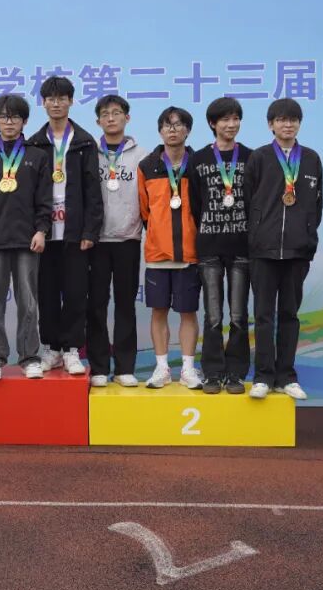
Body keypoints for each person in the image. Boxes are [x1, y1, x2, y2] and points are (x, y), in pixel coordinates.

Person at [244, 98, 323, 401]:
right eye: (281, 119)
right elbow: (248, 200)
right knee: (263, 315)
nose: (287, 124)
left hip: (297, 251)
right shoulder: (260, 157)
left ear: (299, 124)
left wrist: (307, 237)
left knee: (290, 315)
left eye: (293, 119)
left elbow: (317, 204)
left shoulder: (312, 159)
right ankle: (263, 376)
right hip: (263, 251)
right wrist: (256, 236)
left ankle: (286, 376)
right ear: (271, 125)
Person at [0, 94, 52, 380]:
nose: (9, 122)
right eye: (3, 117)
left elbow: (44, 199)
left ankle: (29, 357)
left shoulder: (37, 156)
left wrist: (41, 230)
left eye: (15, 116)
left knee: (28, 302)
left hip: (28, 240)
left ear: (24, 121)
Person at [27, 76, 102, 375]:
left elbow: (93, 190)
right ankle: (52, 348)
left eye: (62, 98)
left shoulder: (84, 142)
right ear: (43, 102)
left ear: (71, 101)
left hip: (75, 231)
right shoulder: (34, 142)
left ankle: (71, 349)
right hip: (44, 233)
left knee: (75, 293)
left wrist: (90, 231)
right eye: (51, 99)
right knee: (46, 293)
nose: (56, 104)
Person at [188, 97, 253, 395]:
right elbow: (195, 203)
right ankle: (212, 373)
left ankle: (236, 373)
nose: (231, 124)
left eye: (235, 118)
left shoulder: (252, 157)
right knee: (213, 316)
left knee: (238, 315)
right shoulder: (199, 159)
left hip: (242, 246)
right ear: (212, 124)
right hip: (209, 247)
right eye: (225, 119)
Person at [138, 107, 202, 389]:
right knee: (158, 311)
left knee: (188, 312)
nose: (172, 129)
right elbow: (144, 211)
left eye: (178, 125)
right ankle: (162, 368)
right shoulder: (147, 166)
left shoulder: (198, 164)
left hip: (190, 253)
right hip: (157, 254)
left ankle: (188, 369)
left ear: (188, 130)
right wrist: (157, 232)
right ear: (160, 131)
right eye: (167, 125)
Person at [85, 94, 143, 388]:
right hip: (94, 241)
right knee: (95, 305)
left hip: (127, 239)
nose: (111, 118)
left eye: (117, 113)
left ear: (127, 118)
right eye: (105, 114)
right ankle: (98, 366)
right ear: (98, 121)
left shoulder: (142, 156)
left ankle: (124, 368)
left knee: (125, 305)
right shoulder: (87, 153)